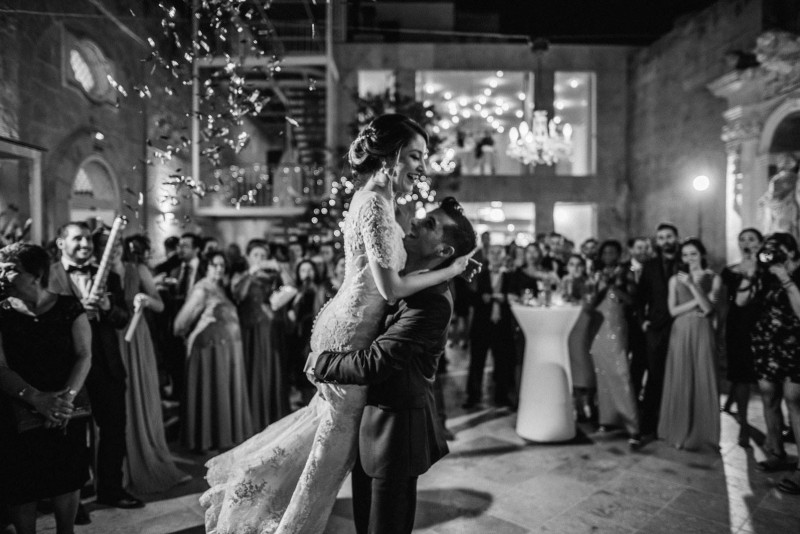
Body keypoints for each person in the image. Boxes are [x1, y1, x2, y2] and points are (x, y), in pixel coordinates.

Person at [201, 114, 471, 534]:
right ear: (392, 154)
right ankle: (278, 519)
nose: (422, 167)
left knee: (324, 450)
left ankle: (263, 498)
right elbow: (390, 289)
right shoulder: (376, 203)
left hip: (348, 324)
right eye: (416, 156)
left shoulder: (376, 199)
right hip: (350, 331)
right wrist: (450, 271)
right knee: (324, 460)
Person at [312, 198, 477, 534]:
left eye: (429, 224)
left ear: (444, 251)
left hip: (395, 434)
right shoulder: (402, 277)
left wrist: (321, 363)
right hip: (373, 425)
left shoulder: (432, 301)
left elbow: (378, 363)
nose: (415, 222)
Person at [49, 223, 142, 509]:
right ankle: (72, 501)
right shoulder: (49, 276)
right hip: (68, 366)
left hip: (106, 364)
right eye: (77, 238)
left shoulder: (110, 276)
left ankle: (111, 490)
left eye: (88, 239)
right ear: (61, 243)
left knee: (114, 430)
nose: (85, 244)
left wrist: (107, 308)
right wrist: (78, 314)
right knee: (72, 435)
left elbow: (123, 319)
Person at [0, 243, 92, 534]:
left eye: (10, 269)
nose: (1, 275)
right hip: (16, 407)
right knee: (21, 483)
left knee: (67, 477)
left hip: (66, 405)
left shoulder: (68, 307)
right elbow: (0, 366)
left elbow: (84, 355)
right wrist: (36, 399)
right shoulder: (1, 311)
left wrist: (65, 401)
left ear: (36, 275)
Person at [111, 234, 189, 494]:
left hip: (135, 336)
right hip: (108, 338)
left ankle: (144, 453)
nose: (111, 249)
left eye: (115, 245)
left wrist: (145, 299)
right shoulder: (95, 272)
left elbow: (159, 305)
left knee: (138, 392)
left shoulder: (137, 270)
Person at [174, 251, 253, 452]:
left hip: (224, 350)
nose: (219, 269)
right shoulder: (202, 290)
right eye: (214, 265)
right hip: (208, 350)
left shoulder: (220, 287)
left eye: (222, 266)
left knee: (219, 393)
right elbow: (180, 324)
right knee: (208, 393)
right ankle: (203, 440)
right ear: (206, 267)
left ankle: (219, 437)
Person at [739, 233, 800, 494]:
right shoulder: (765, 274)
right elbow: (741, 302)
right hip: (767, 344)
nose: (772, 253)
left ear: (791, 251)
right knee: (768, 396)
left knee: (794, 400)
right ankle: (777, 452)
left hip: (795, 345)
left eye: (777, 249)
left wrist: (786, 279)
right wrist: (751, 274)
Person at [657, 238, 721, 451]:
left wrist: (693, 286)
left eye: (693, 254)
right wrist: (699, 301)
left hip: (703, 331)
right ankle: (678, 431)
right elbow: (673, 311)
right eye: (685, 255)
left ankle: (704, 434)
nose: (689, 259)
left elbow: (709, 309)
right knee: (681, 376)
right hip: (681, 331)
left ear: (702, 255)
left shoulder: (714, 278)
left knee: (703, 376)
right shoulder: (674, 280)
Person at [586, 240, 640, 446]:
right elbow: (590, 303)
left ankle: (633, 426)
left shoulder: (626, 273)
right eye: (605, 252)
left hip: (616, 325)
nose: (608, 256)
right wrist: (599, 287)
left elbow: (633, 300)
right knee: (602, 373)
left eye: (612, 252)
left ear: (619, 254)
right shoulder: (596, 274)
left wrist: (614, 287)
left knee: (620, 372)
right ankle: (607, 420)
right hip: (597, 326)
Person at [233, 239, 289, 430]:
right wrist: (251, 273)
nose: (259, 259)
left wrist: (280, 269)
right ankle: (252, 420)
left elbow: (291, 287)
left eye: (263, 256)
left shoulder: (272, 277)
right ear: (248, 257)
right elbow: (238, 295)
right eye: (255, 255)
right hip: (250, 331)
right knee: (253, 371)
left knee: (272, 371)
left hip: (271, 330)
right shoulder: (241, 277)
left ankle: (274, 418)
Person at [720, 228, 764, 447]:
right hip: (738, 326)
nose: (746, 243)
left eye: (751, 239)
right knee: (741, 373)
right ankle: (744, 424)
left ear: (760, 243)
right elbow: (729, 302)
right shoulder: (730, 272)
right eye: (742, 239)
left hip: (763, 326)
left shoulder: (768, 270)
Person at [636, 222, 680, 439]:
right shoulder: (650, 265)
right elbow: (640, 296)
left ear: (676, 238)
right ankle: (648, 425)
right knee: (655, 376)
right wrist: (643, 321)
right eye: (661, 238)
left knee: (679, 374)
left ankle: (675, 422)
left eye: (669, 236)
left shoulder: (686, 261)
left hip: (681, 325)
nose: (665, 241)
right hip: (655, 327)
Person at [464, 244, 516, 409]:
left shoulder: (511, 277)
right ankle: (473, 396)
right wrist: (481, 298)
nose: (495, 255)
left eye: (498, 253)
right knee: (477, 362)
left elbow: (516, 297)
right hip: (482, 325)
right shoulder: (479, 275)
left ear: (504, 256)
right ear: (487, 255)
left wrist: (505, 298)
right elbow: (469, 298)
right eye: (492, 252)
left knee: (502, 362)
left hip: (502, 325)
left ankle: (502, 396)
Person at [622, 237, 651, 401]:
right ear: (631, 250)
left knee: (643, 361)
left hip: (647, 322)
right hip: (626, 320)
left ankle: (641, 397)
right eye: (639, 248)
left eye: (646, 248)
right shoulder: (622, 269)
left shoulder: (653, 268)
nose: (643, 251)